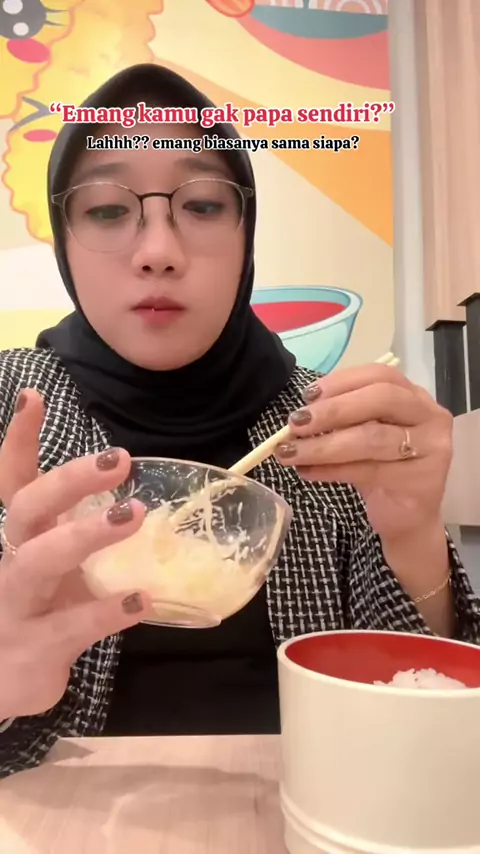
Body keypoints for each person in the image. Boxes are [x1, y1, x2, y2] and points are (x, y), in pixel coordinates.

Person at [0, 63, 478, 780]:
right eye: (105, 209)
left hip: (305, 806)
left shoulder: (330, 426)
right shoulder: (10, 410)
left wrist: (414, 539)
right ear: (64, 241)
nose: (158, 253)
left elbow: (425, 735)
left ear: (245, 233)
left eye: (201, 205)